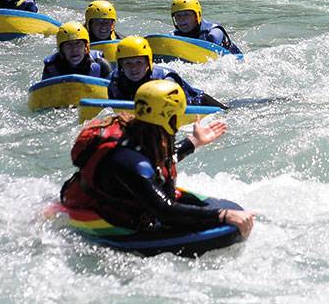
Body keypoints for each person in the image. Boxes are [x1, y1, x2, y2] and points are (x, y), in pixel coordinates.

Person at [59, 80, 255, 239]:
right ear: (170, 118)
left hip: (124, 195)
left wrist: (194, 141)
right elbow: (164, 211)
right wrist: (223, 215)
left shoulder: (140, 132)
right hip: (103, 213)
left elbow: (161, 161)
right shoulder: (127, 159)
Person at [107, 36, 223, 107]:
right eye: (128, 63)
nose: (134, 68)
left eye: (139, 63)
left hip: (199, 102)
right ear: (121, 65)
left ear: (148, 63)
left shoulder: (165, 80)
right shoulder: (113, 80)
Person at [171, 0, 241, 54]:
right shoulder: (174, 35)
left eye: (186, 14)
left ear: (197, 16)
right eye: (178, 16)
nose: (182, 19)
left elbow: (214, 40)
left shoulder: (213, 31)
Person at [41, 22, 112, 79]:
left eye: (78, 43)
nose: (74, 49)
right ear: (61, 50)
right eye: (68, 44)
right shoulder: (51, 67)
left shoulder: (100, 64)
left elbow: (112, 92)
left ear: (86, 47)